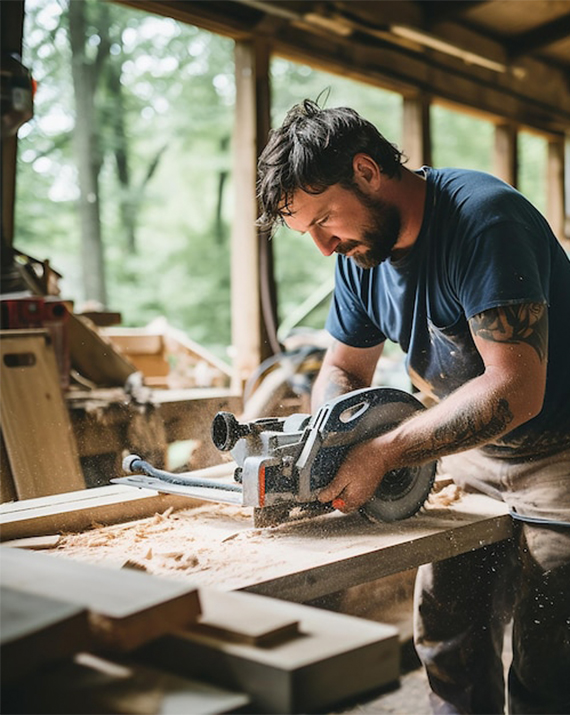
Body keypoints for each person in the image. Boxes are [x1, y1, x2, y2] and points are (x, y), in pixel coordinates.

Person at [256, 99, 570, 715]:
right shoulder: (358, 253)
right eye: (307, 234)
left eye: (324, 220)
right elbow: (344, 368)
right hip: (474, 452)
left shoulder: (483, 219)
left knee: (548, 660)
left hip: (561, 451)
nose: (323, 247)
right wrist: (334, 438)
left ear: (368, 171)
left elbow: (516, 390)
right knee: (448, 637)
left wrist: (385, 450)